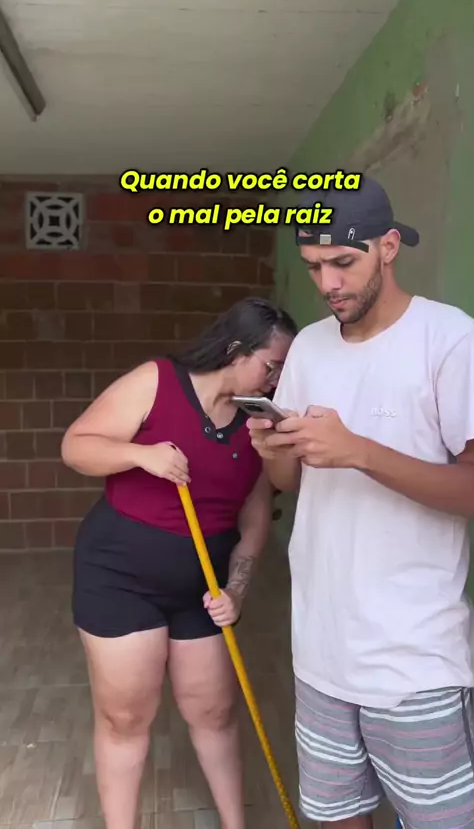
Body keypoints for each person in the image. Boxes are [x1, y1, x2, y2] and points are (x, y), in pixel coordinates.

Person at [246, 176, 474, 828]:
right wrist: (273, 449)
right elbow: (293, 481)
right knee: (335, 818)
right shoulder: (311, 347)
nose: (327, 284)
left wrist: (358, 451)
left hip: (414, 661)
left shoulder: (450, 340)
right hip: (320, 652)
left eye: (343, 262)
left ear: (388, 247)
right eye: (313, 266)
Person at [60, 296, 297, 829]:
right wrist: (141, 455)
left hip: (203, 586)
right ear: (237, 350)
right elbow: (76, 445)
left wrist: (237, 591)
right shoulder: (158, 381)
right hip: (119, 579)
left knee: (214, 711)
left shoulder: (259, 422)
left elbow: (255, 515)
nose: (277, 381)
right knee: (126, 717)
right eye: (272, 366)